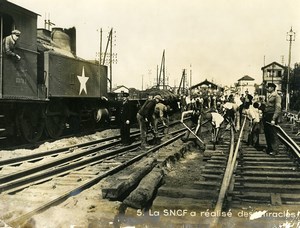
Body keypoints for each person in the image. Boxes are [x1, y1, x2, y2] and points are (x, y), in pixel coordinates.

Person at [263, 83, 281, 155]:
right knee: (267, 133)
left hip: (271, 116)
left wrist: (274, 119)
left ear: (273, 88)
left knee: (273, 133)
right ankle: (269, 148)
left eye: (268, 87)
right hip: (267, 116)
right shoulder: (270, 96)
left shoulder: (277, 96)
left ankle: (275, 150)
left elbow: (278, 108)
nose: (267, 88)